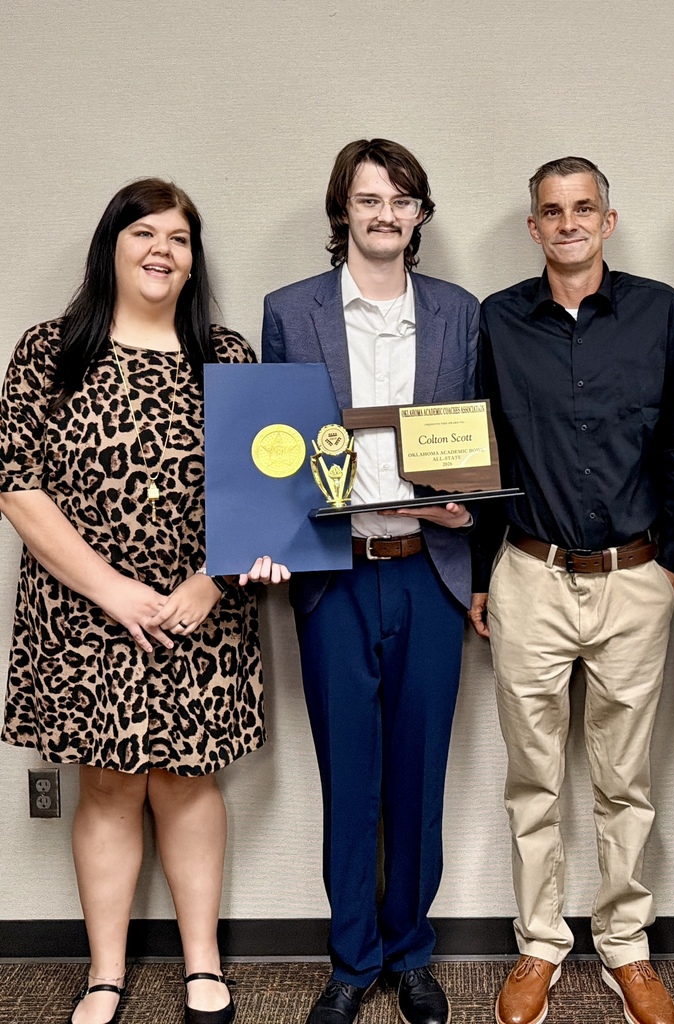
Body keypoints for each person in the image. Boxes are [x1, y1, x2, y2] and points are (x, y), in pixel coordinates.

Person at [0, 179, 264, 1024]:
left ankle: (201, 964)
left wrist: (208, 583)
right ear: (109, 247)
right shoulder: (50, 351)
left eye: (179, 238)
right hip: (82, 612)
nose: (162, 250)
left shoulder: (227, 355)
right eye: (143, 232)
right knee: (108, 785)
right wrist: (114, 591)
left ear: (193, 261)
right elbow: (15, 485)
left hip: (198, 613)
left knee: (187, 782)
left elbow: (265, 495)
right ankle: (104, 974)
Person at [248, 139, 477, 1024]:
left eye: (402, 200)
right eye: (369, 198)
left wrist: (466, 514)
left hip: (429, 574)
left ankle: (410, 953)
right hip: (335, 581)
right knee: (350, 779)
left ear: (420, 216)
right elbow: (271, 448)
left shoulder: (459, 313)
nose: (385, 213)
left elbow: (474, 442)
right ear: (342, 210)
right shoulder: (290, 311)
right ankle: (351, 963)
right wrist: (265, 536)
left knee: (419, 779)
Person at [470, 157, 674, 1024]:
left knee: (624, 778)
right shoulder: (497, 320)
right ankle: (538, 943)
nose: (567, 223)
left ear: (608, 219)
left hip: (634, 578)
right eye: (551, 212)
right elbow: (481, 448)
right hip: (529, 574)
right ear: (533, 228)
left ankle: (626, 948)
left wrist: (672, 560)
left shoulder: (658, 311)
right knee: (533, 777)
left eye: (583, 209)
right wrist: (488, 571)